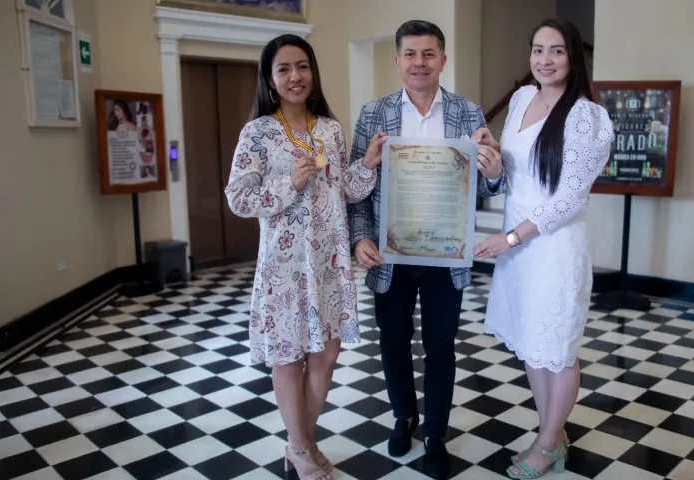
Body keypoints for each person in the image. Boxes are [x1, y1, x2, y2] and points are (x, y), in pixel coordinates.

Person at [347, 20, 505, 479]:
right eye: (411, 54)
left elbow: (492, 182)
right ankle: (404, 417)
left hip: (444, 255)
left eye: (429, 53)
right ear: (397, 61)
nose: (420, 62)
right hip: (390, 256)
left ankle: (435, 432)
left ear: (443, 59)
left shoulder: (468, 112)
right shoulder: (372, 114)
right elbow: (355, 189)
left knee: (440, 347)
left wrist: (494, 169)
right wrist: (360, 238)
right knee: (393, 343)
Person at [224, 34, 382, 480]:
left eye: (303, 66)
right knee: (290, 359)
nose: (295, 76)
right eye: (284, 69)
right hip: (284, 268)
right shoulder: (257, 134)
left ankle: (298, 446)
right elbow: (238, 198)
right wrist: (287, 184)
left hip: (330, 264)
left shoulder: (329, 128)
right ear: (271, 80)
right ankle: (302, 447)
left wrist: (366, 163)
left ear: (313, 73)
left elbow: (344, 192)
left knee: (327, 356)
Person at [473, 18, 614, 479]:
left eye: (556, 51)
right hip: (518, 244)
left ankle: (550, 442)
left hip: (552, 246)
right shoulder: (519, 99)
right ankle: (549, 430)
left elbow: (569, 199)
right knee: (533, 345)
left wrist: (511, 237)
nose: (545, 60)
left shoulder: (586, 116)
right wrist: (492, 165)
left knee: (558, 347)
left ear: (573, 57)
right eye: (538, 50)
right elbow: (510, 176)